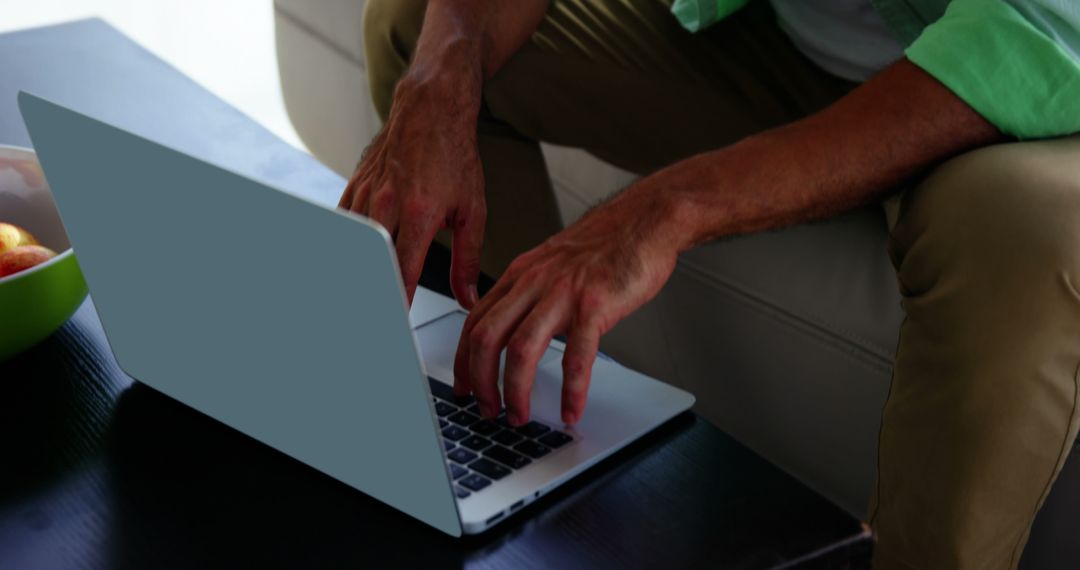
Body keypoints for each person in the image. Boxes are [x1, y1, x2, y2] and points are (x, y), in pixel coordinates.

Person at [337, 0, 1080, 566]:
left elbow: (1035, 32)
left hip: (1039, 70)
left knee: (1024, 245)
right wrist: (442, 78)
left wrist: (667, 209)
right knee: (427, 32)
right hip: (787, 38)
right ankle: (518, 454)